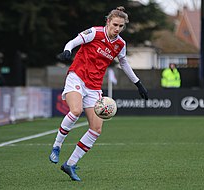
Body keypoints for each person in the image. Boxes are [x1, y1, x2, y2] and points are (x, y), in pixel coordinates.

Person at [49, 6, 148, 181]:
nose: (117, 29)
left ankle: (70, 164)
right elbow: (73, 41)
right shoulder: (95, 33)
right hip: (77, 77)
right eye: (115, 24)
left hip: (94, 86)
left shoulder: (120, 44)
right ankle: (57, 146)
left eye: (121, 26)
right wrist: (67, 50)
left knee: (96, 129)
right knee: (76, 110)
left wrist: (138, 83)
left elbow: (124, 64)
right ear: (108, 21)